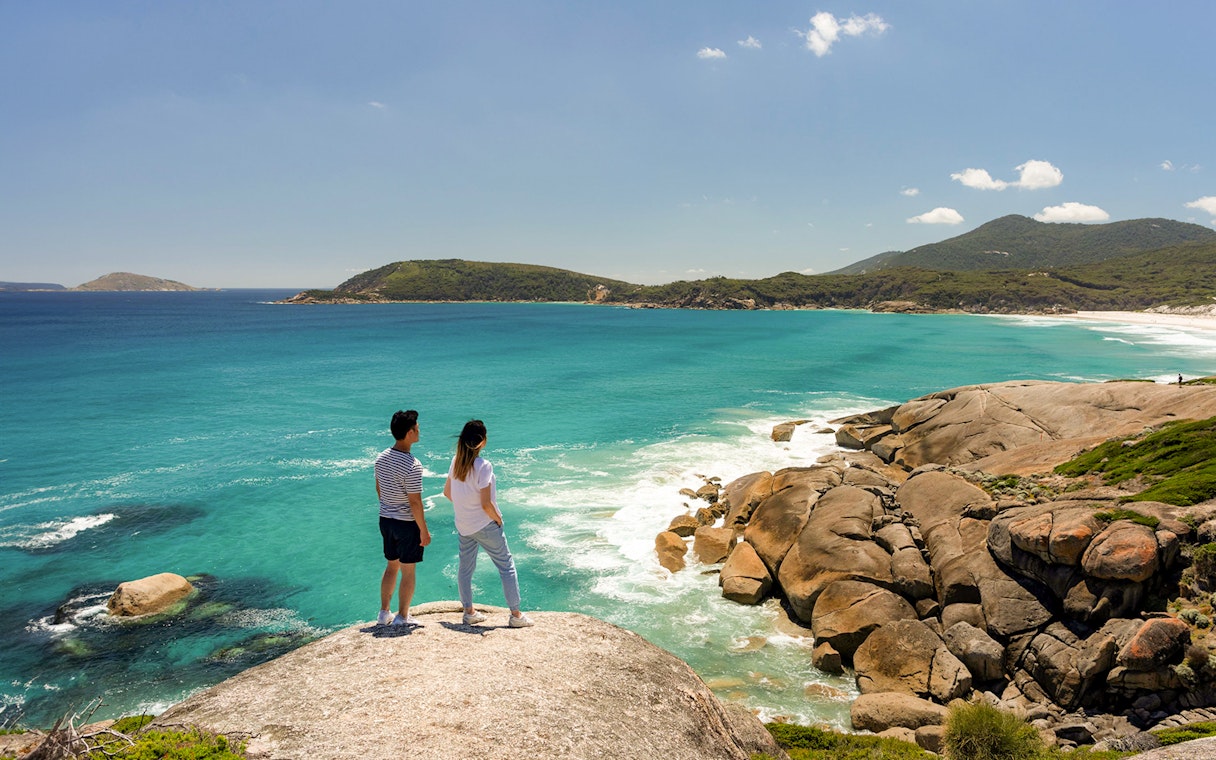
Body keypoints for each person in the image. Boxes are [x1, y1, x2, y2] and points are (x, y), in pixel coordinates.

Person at [443, 419, 533, 628]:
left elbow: (447, 492)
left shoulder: (456, 461)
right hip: (485, 525)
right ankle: (516, 616)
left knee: (465, 569)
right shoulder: (483, 466)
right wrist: (498, 518)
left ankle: (468, 612)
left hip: (463, 525)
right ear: (482, 441)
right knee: (506, 566)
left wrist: (465, 508)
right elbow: (486, 503)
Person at [374, 409, 431, 627]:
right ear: (409, 432)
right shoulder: (412, 465)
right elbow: (415, 502)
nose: (419, 430)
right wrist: (423, 530)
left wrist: (389, 507)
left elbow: (379, 488)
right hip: (406, 524)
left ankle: (383, 613)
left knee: (391, 566)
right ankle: (403, 616)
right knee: (408, 570)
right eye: (416, 427)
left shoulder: (381, 458)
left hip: (385, 519)